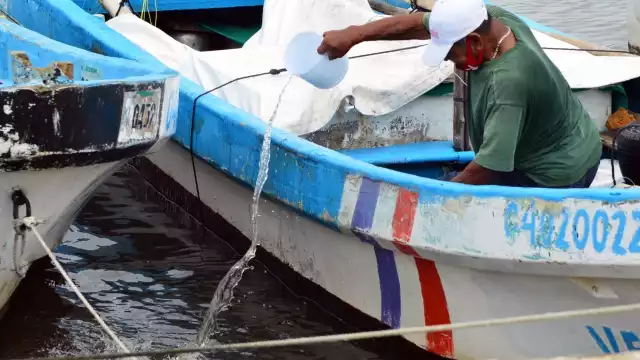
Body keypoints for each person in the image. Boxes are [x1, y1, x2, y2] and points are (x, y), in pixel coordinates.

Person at [317, 0, 602, 188]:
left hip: (558, 174)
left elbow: (489, 166)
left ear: (475, 41)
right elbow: (414, 25)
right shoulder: (494, 21)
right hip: (576, 138)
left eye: (451, 53)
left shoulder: (508, 84)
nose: (448, 60)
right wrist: (354, 35)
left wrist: (433, 195)